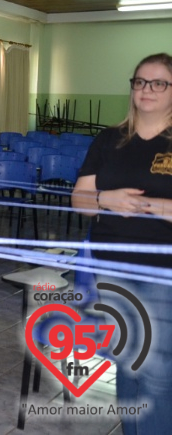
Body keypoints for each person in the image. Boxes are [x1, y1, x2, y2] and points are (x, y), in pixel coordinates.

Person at [72, 53, 172, 434]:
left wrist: (157, 206)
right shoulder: (109, 139)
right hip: (112, 267)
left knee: (159, 374)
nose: (147, 90)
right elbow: (79, 200)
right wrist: (104, 199)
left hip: (163, 272)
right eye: (140, 82)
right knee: (128, 364)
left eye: (158, 82)